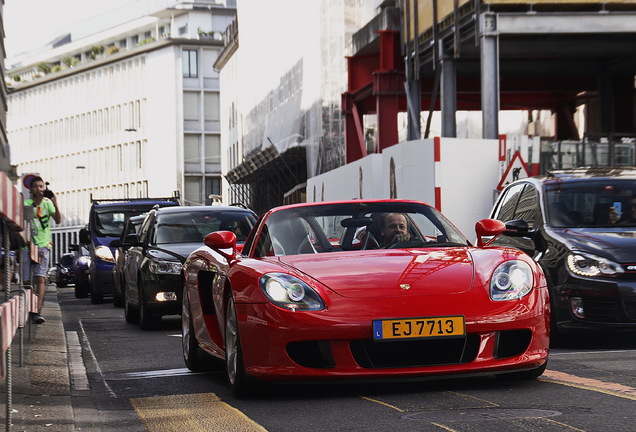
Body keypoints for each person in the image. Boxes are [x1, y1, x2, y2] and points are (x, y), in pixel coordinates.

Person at [22, 176, 62, 324]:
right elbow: (24, 224)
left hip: (44, 245)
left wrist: (55, 204)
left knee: (40, 278)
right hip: (27, 245)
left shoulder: (47, 204)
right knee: (26, 281)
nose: (39, 189)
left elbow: (58, 220)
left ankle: (37, 311)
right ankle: (27, 307)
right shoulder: (26, 204)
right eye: (36, 187)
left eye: (41, 186)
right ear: (31, 189)